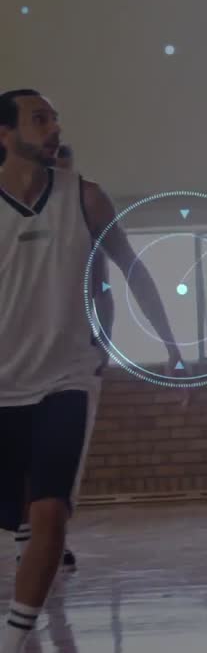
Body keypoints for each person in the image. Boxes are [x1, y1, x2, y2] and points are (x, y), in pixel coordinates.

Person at [0, 89, 187, 653]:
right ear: (5, 134)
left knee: (51, 512)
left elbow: (131, 271)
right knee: (20, 517)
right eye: (39, 117)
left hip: (66, 380)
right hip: (4, 387)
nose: (53, 125)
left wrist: (172, 347)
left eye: (54, 116)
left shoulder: (86, 198)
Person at [11, 144, 102, 573]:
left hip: (69, 365)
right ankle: (25, 536)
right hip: (18, 364)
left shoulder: (81, 219)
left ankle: (44, 540)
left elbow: (105, 290)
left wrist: (104, 344)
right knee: (22, 465)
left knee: (57, 476)